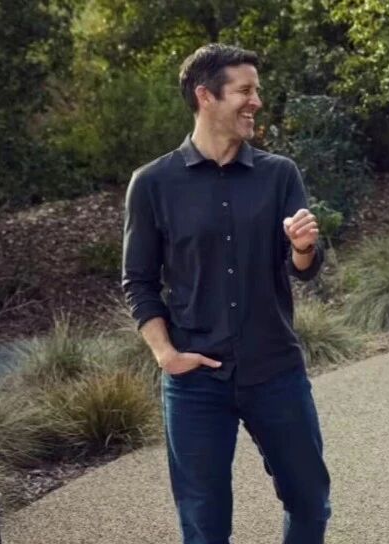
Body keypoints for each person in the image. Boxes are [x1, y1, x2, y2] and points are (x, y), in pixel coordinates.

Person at [121, 43, 331, 544]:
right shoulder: (152, 184)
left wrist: (303, 247)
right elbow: (139, 281)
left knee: (309, 502)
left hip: (275, 369)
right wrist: (166, 354)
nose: (256, 101)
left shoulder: (279, 174)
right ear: (205, 96)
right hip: (195, 381)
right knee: (204, 523)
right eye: (245, 90)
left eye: (256, 90)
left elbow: (302, 269)